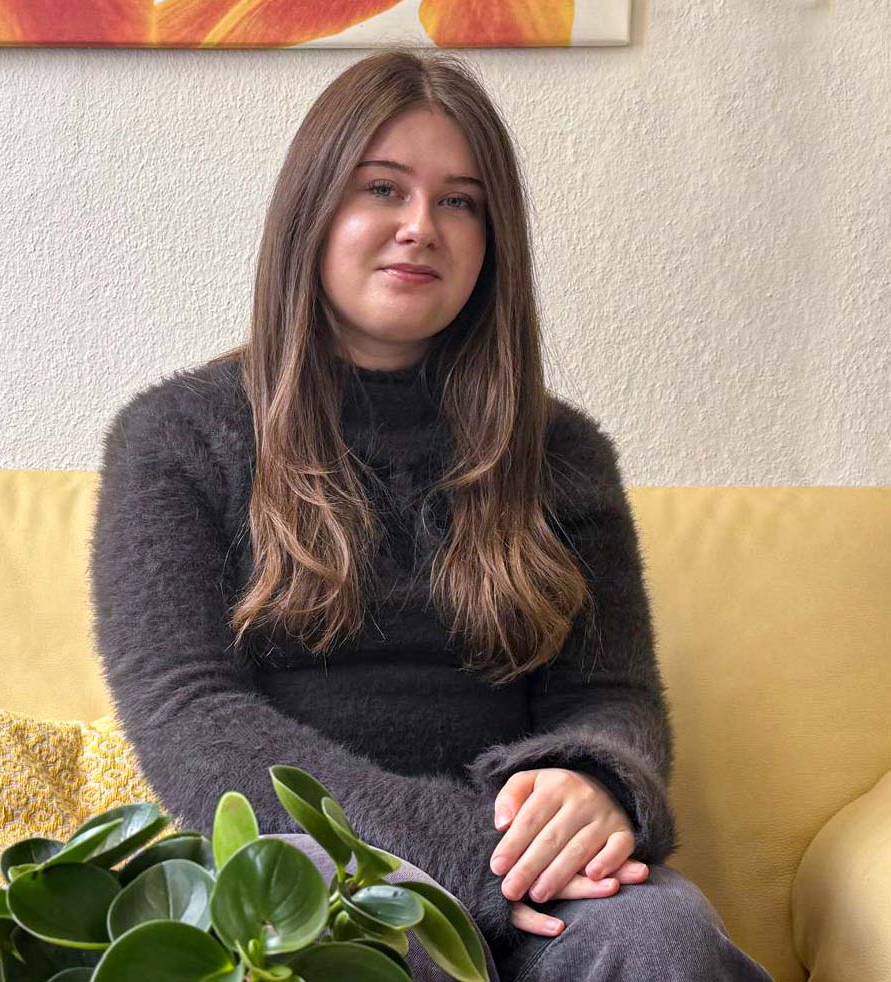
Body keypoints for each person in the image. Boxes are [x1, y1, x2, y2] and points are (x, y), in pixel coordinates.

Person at [89, 45, 774, 981]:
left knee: (662, 934)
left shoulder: (564, 452)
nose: (420, 227)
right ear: (311, 210)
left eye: (459, 202)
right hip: (308, 862)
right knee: (381, 939)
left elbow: (609, 695)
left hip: (529, 866)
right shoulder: (174, 438)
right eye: (383, 189)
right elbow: (190, 718)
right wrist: (460, 857)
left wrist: (599, 782)